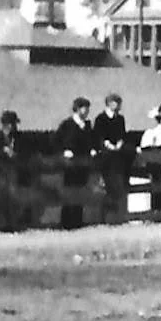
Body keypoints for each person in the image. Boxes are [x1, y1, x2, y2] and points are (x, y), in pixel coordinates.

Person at [0, 110, 31, 232]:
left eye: (13, 124)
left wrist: (15, 154)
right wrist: (3, 151)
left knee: (15, 196)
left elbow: (26, 153)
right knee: (0, 197)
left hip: (15, 172)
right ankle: (3, 224)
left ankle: (14, 223)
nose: (12, 127)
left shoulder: (20, 138)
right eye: (9, 124)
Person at [55, 97, 96, 229]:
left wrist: (92, 149)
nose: (87, 111)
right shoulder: (67, 124)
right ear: (77, 109)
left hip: (83, 162)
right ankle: (66, 221)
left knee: (80, 190)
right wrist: (64, 151)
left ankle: (78, 220)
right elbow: (56, 140)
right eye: (84, 108)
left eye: (88, 108)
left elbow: (90, 141)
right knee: (69, 190)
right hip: (70, 164)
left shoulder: (87, 125)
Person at [93, 93, 130, 219]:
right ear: (109, 104)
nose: (118, 105)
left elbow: (122, 134)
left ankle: (117, 214)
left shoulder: (120, 119)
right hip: (105, 152)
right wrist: (108, 145)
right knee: (107, 183)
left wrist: (119, 143)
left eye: (118, 103)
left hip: (118, 153)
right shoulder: (100, 118)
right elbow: (98, 136)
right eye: (115, 102)